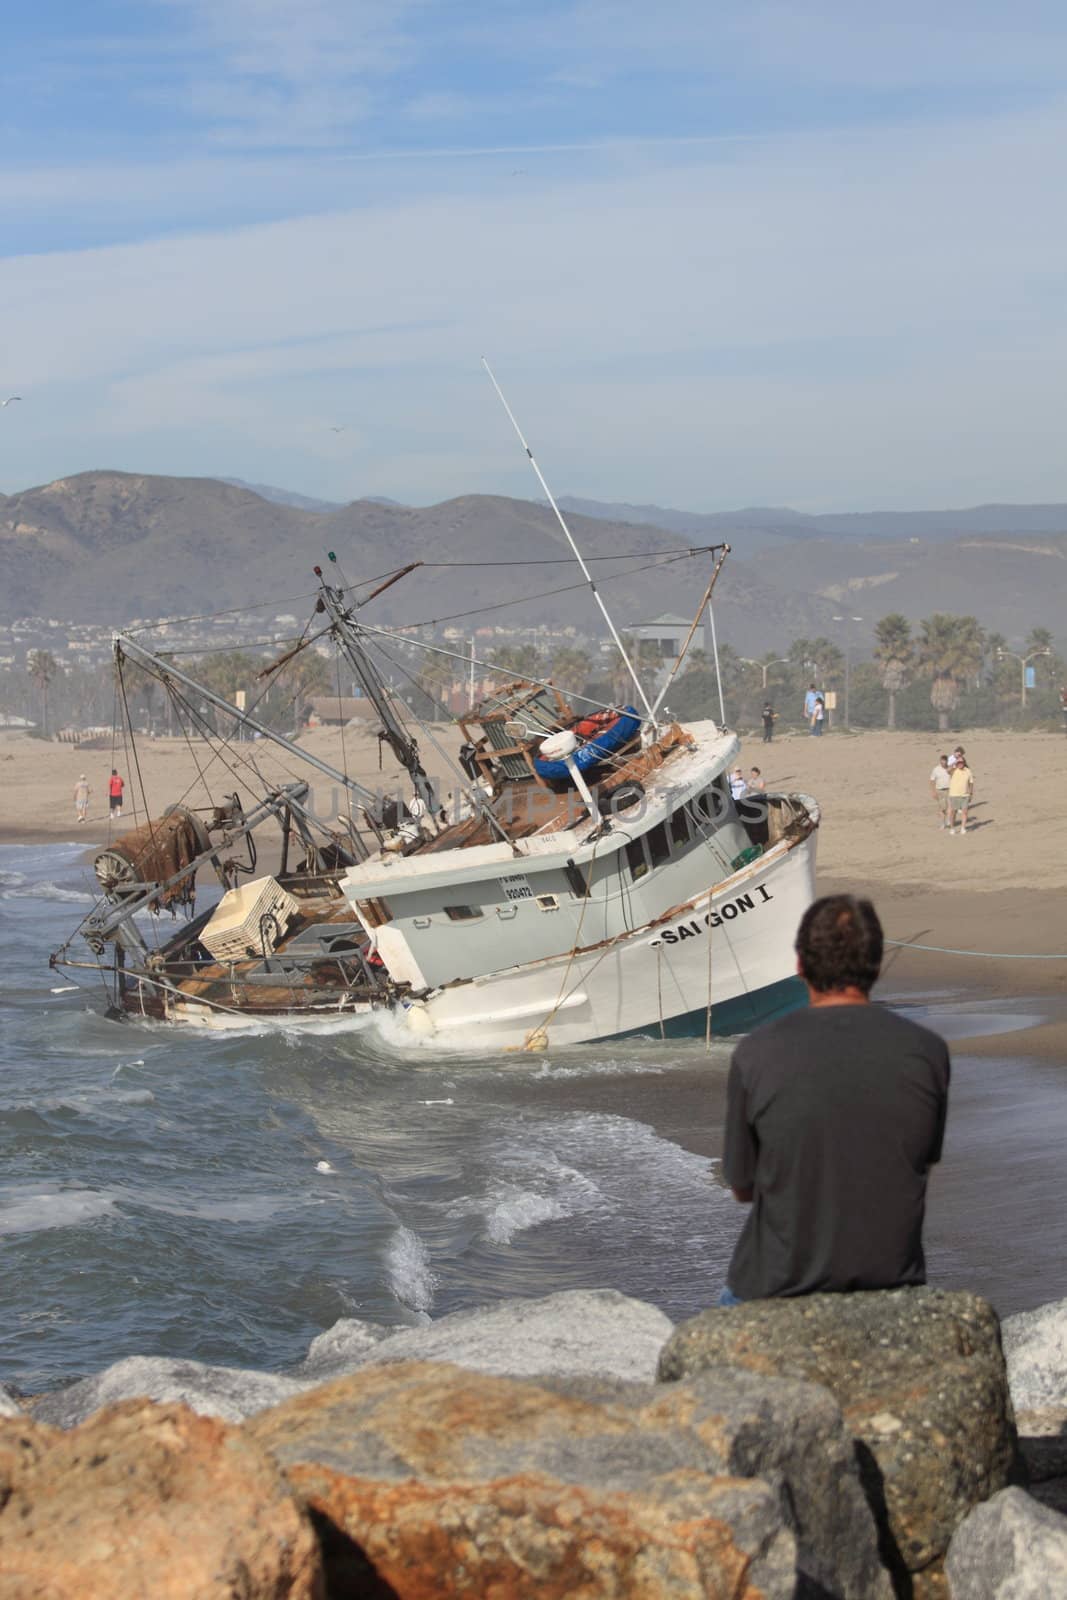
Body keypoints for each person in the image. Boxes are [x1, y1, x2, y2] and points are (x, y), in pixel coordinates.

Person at [720, 895, 950, 1302]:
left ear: (800, 966)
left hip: (777, 1283)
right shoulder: (927, 1051)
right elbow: (919, 1163)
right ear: (876, 966)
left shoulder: (756, 1053)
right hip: (893, 1279)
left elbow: (741, 1186)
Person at [947, 752, 974, 835]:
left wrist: (971, 793)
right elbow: (948, 771)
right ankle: (952, 828)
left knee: (965, 812)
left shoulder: (968, 771)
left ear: (964, 763)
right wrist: (955, 763)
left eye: (961, 762)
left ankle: (963, 828)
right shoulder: (954, 770)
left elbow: (971, 783)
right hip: (954, 794)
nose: (960, 764)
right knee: (953, 812)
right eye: (958, 762)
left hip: (965, 795)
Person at [929, 753, 951, 829]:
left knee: (950, 806)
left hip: (949, 789)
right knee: (942, 808)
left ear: (947, 761)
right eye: (942, 761)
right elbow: (932, 780)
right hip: (940, 790)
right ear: (940, 761)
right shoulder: (936, 769)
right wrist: (933, 791)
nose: (943, 762)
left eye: (944, 761)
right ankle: (942, 823)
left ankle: (948, 820)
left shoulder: (950, 768)